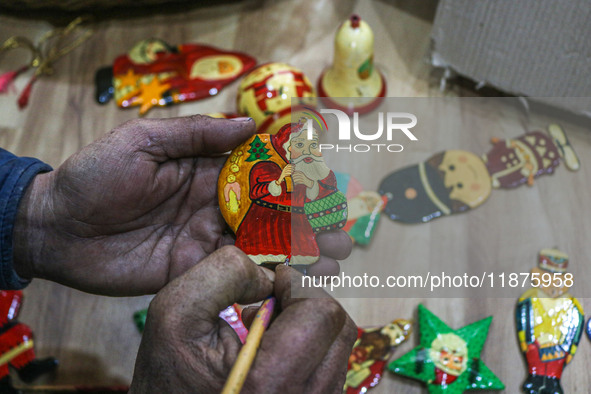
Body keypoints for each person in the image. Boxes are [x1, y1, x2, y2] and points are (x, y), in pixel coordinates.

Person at [1, 115, 355, 392]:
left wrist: (36, 214)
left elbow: (317, 193)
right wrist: (284, 182)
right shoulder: (264, 159)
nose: (304, 149)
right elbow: (262, 190)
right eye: (298, 143)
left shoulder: (308, 165)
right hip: (263, 222)